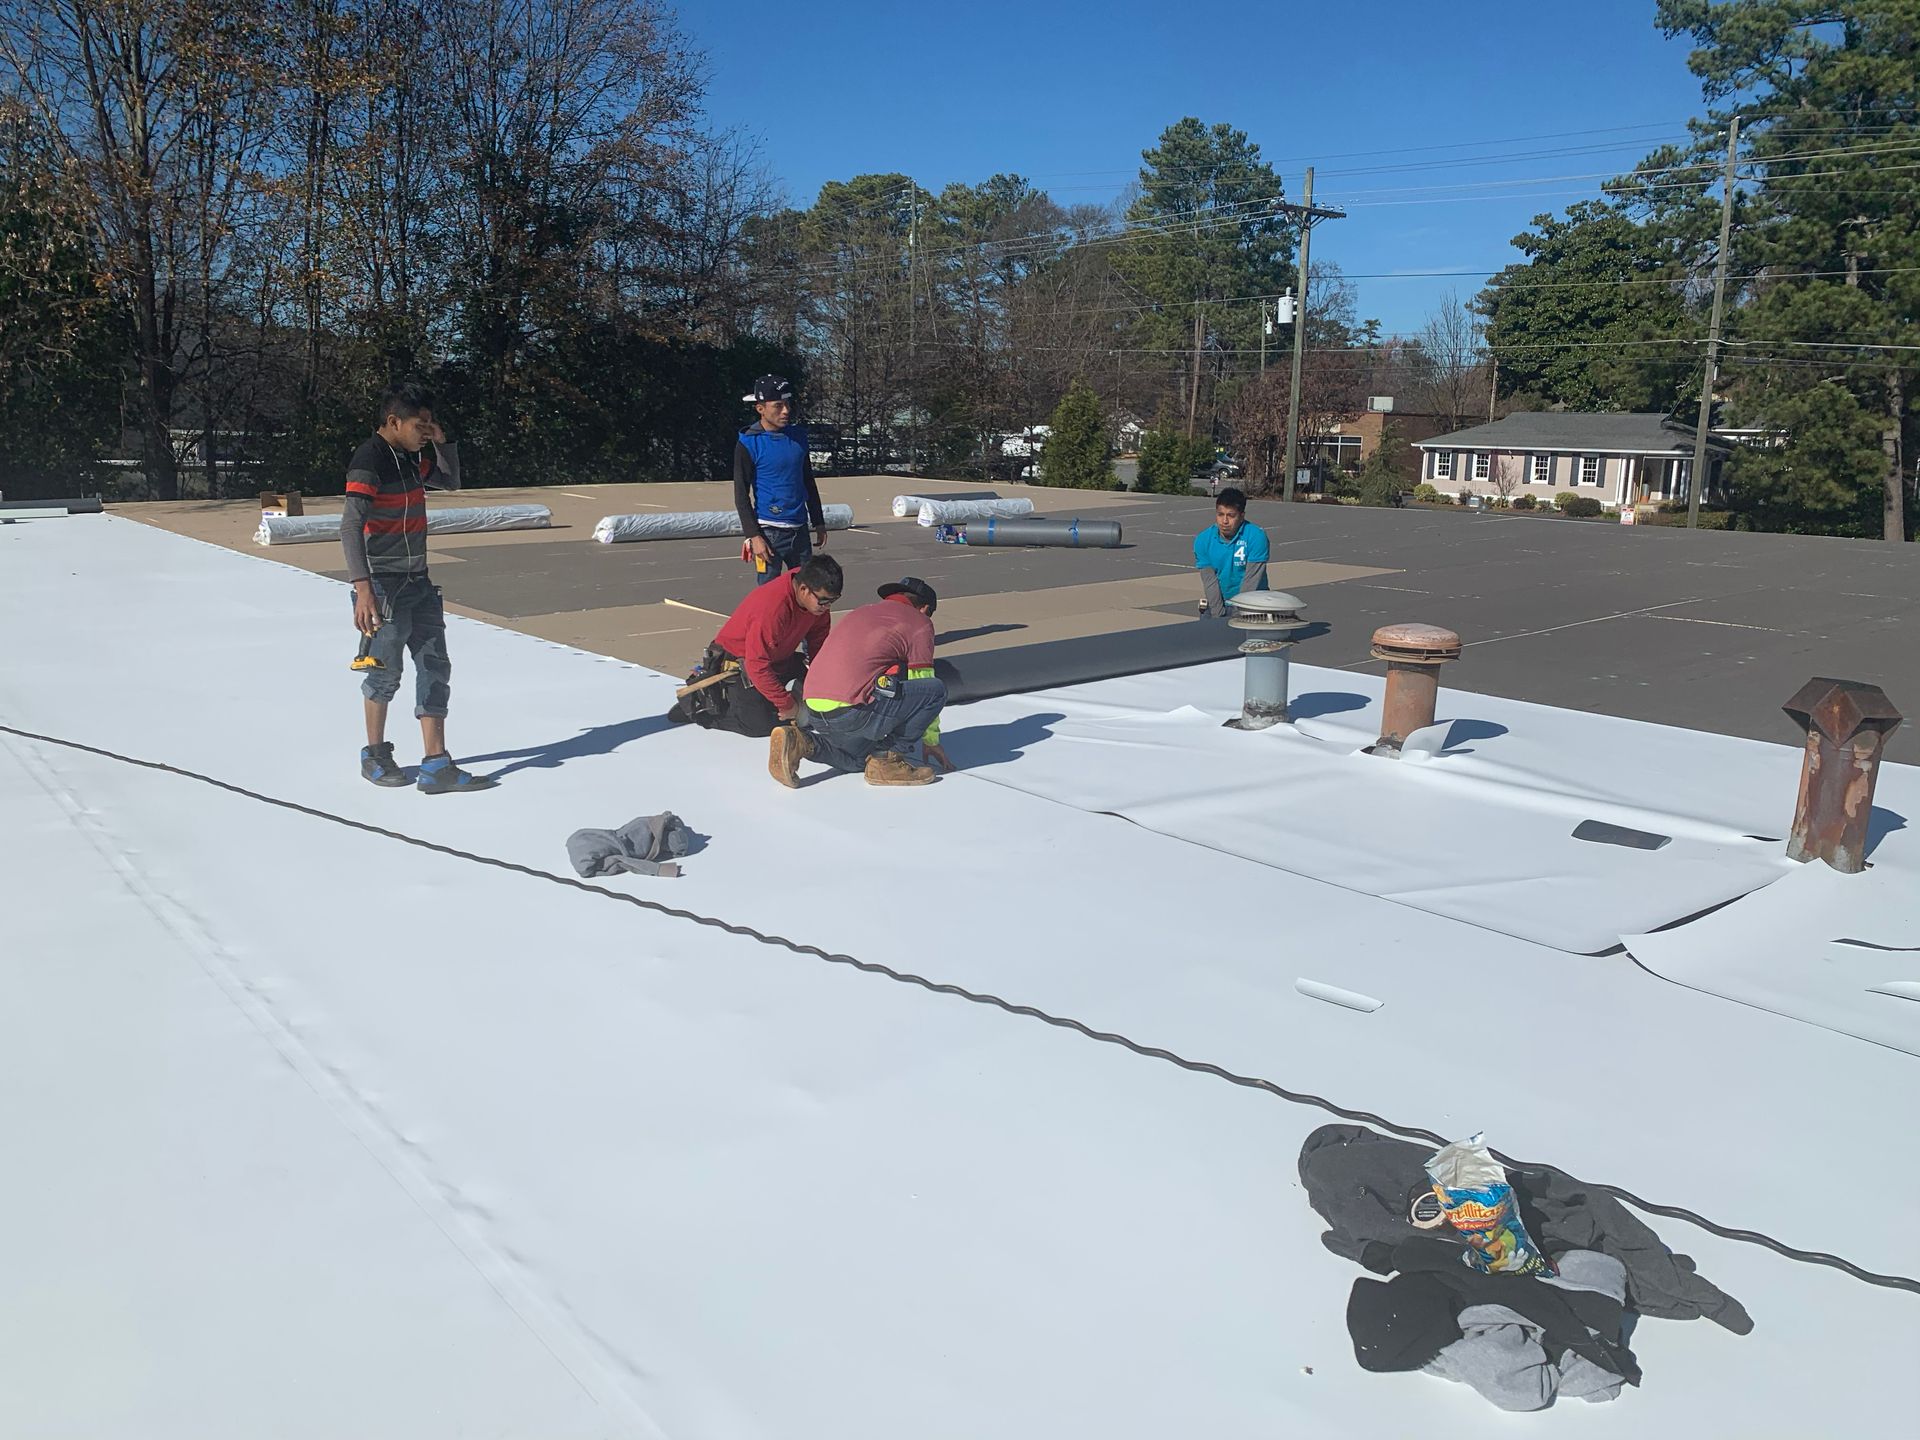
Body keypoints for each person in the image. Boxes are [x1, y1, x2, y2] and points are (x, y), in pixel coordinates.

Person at [342, 381, 494, 793]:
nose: (425, 431)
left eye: (430, 424)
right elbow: (351, 525)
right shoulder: (370, 459)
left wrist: (444, 443)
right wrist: (363, 588)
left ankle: (436, 763)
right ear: (394, 422)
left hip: (419, 581)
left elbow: (450, 481)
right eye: (419, 424)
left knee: (434, 666)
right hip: (383, 587)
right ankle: (375, 754)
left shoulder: (410, 458)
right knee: (383, 672)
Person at [770, 577, 952, 789]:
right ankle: (888, 761)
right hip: (851, 711)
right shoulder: (920, 622)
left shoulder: (861, 612)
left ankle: (803, 742)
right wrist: (930, 740)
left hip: (814, 708)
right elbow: (922, 678)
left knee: (858, 760)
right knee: (936, 691)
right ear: (924, 609)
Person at [669, 554, 843, 736]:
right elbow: (757, 665)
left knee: (816, 684)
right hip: (738, 663)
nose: (827, 607)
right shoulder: (773, 609)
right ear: (804, 589)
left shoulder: (815, 598)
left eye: (833, 601)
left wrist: (820, 680)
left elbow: (818, 643)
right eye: (824, 601)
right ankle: (701, 709)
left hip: (777, 657)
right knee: (759, 725)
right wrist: (787, 704)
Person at [735, 374, 827, 585]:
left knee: (806, 589)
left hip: (800, 530)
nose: (785, 411)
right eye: (778, 405)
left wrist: (819, 521)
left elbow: (808, 482)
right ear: (761, 408)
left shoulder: (798, 438)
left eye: (787, 404)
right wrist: (754, 536)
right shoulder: (749, 443)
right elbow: (741, 495)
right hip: (768, 533)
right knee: (768, 592)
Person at [1193, 486, 1270, 617]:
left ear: (1242, 516)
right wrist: (1218, 617)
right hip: (1219, 603)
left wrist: (1236, 617)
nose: (1224, 521)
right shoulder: (1203, 540)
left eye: (1231, 515)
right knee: (1209, 626)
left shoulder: (1256, 536)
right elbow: (1210, 582)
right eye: (1220, 515)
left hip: (1252, 603)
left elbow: (1251, 581)